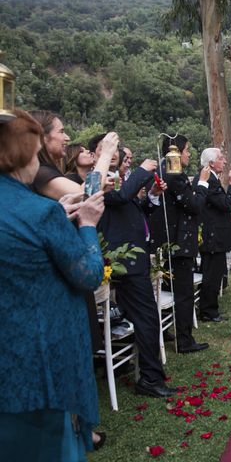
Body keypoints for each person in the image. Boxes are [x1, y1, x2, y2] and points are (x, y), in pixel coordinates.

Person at [0, 110, 106, 460]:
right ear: (21, 155)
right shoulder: (39, 213)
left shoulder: (43, 213)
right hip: (38, 358)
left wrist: (57, 215)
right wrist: (87, 224)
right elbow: (89, 274)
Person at [94, 134, 177, 398]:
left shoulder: (116, 180)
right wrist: (142, 171)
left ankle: (143, 372)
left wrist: (152, 195)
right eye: (110, 149)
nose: (116, 154)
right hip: (123, 263)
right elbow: (118, 199)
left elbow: (131, 207)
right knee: (147, 318)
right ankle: (150, 379)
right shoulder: (95, 182)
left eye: (118, 150)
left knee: (145, 318)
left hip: (133, 259)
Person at [149, 134, 210, 353]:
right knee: (183, 293)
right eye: (186, 151)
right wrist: (202, 183)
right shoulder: (175, 176)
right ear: (174, 153)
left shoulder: (163, 173)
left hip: (166, 242)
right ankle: (184, 341)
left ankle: (166, 332)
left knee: (167, 288)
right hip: (178, 244)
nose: (188, 154)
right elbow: (194, 205)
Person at [28, 110, 117, 200]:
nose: (67, 138)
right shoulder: (40, 172)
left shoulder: (43, 170)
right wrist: (106, 154)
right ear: (44, 137)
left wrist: (102, 188)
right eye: (61, 132)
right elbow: (85, 195)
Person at [199, 147, 231, 323]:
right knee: (212, 275)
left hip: (215, 235)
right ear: (211, 163)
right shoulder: (210, 182)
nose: (224, 161)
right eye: (221, 158)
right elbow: (225, 205)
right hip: (213, 237)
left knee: (216, 274)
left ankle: (211, 309)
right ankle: (208, 311)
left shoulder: (213, 179)